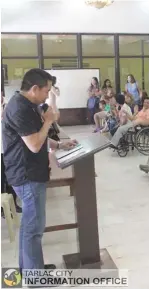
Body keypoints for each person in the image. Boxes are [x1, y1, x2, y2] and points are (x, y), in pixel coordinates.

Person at [2, 69, 78, 271]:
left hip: (28, 172)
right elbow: (35, 144)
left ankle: (30, 268)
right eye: (46, 91)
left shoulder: (27, 105)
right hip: (27, 175)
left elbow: (36, 136)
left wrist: (60, 145)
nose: (47, 95)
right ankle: (35, 277)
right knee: (33, 228)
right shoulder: (19, 109)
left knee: (30, 226)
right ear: (34, 89)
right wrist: (48, 121)